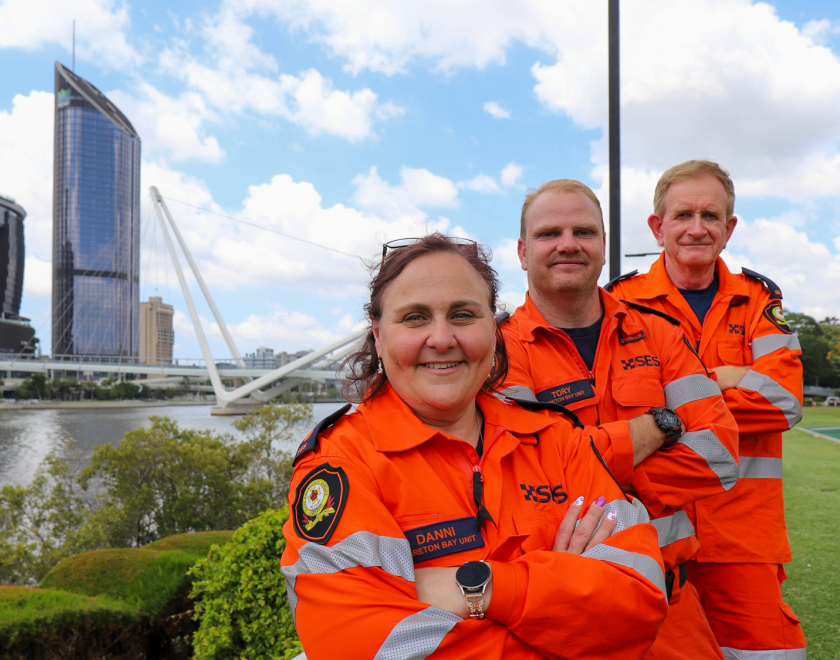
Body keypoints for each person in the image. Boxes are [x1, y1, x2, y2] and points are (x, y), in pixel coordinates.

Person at [281, 235, 668, 659]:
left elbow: (639, 600)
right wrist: (558, 609)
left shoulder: (556, 440)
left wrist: (481, 587)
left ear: (493, 328)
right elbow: (360, 646)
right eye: (415, 318)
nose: (442, 338)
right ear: (377, 334)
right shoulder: (343, 463)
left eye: (463, 315)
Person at [498, 179, 740, 659]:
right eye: (550, 234)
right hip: (559, 611)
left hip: (670, 606)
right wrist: (660, 427)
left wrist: (584, 467)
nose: (568, 244)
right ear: (524, 253)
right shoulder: (497, 351)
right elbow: (528, 470)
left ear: (603, 247)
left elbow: (720, 456)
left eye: (584, 231)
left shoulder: (660, 334)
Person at [608, 160, 806, 659]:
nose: (697, 228)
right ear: (658, 226)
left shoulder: (759, 300)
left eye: (710, 216)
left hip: (743, 536)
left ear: (729, 228)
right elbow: (608, 409)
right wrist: (729, 378)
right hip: (653, 529)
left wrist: (672, 403)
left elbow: (783, 402)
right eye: (683, 215)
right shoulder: (617, 302)